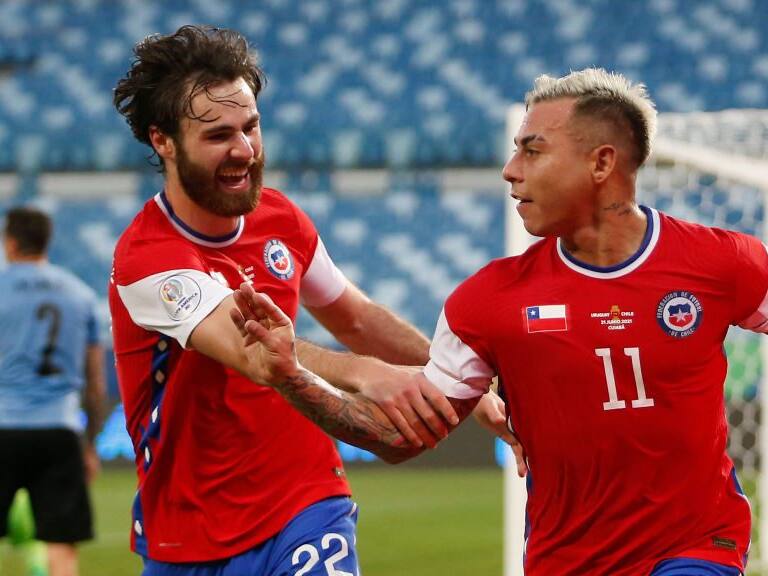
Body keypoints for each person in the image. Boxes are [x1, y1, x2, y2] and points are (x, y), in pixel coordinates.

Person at [231, 68, 768, 576]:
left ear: (601, 164)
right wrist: (292, 374)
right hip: (566, 559)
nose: (510, 169)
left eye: (532, 150)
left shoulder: (723, 263)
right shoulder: (487, 303)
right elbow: (398, 436)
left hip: (697, 545)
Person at [109, 24, 512, 576]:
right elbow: (252, 353)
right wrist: (363, 373)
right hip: (188, 532)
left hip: (306, 504)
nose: (245, 150)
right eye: (219, 136)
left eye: (251, 127)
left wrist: (461, 380)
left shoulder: (280, 218)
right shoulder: (148, 258)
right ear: (163, 141)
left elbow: (357, 317)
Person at [0, 206, 106, 576]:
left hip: (3, 423)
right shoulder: (80, 295)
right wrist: (89, 445)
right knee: (61, 543)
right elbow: (95, 384)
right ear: (47, 242)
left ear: (10, 243)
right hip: (60, 429)